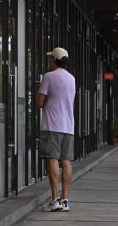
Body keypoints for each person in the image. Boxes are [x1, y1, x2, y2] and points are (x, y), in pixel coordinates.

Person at [37, 47, 76, 212]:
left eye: (50, 58)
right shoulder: (72, 78)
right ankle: (65, 200)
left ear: (54, 60)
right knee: (66, 161)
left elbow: (39, 102)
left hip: (52, 126)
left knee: (52, 159)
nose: (49, 60)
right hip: (68, 126)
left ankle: (55, 200)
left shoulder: (49, 77)